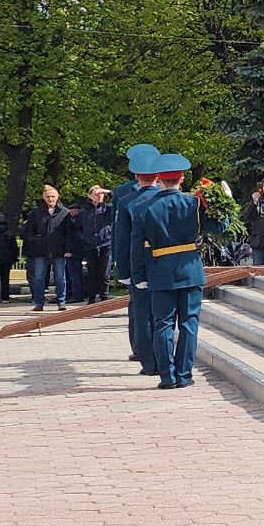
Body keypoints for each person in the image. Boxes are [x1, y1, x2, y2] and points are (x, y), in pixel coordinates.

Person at [131, 153, 226, 388]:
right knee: (188, 323)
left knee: (162, 323)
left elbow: (136, 247)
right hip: (190, 270)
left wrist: (139, 276)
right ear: (182, 178)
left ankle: (167, 377)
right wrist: (225, 202)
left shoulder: (142, 208)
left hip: (159, 271)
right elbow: (220, 227)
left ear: (159, 179)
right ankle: (184, 375)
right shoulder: (193, 203)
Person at [111, 144, 163, 373]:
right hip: (158, 260)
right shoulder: (122, 193)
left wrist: (122, 269)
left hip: (141, 258)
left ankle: (149, 359)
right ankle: (147, 352)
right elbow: (118, 232)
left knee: (143, 312)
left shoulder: (129, 198)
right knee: (145, 311)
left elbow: (121, 235)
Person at [22, 184, 73, 311]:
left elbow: (70, 233)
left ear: (57, 197)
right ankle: (39, 302)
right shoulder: (36, 212)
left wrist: (68, 249)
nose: (50, 199)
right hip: (40, 251)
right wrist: (35, 241)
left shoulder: (65, 212)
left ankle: (61, 302)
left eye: (53, 197)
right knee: (39, 277)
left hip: (59, 251)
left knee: (60, 278)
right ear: (43, 197)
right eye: (48, 197)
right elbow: (28, 231)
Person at [79, 186, 114, 303]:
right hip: (90, 246)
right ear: (90, 196)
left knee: (104, 273)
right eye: (96, 194)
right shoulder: (84, 212)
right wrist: (83, 237)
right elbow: (77, 228)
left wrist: (108, 192)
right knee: (92, 272)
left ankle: (104, 297)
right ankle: (92, 298)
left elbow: (119, 201)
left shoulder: (109, 210)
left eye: (101, 194)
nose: (99, 196)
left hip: (106, 244)